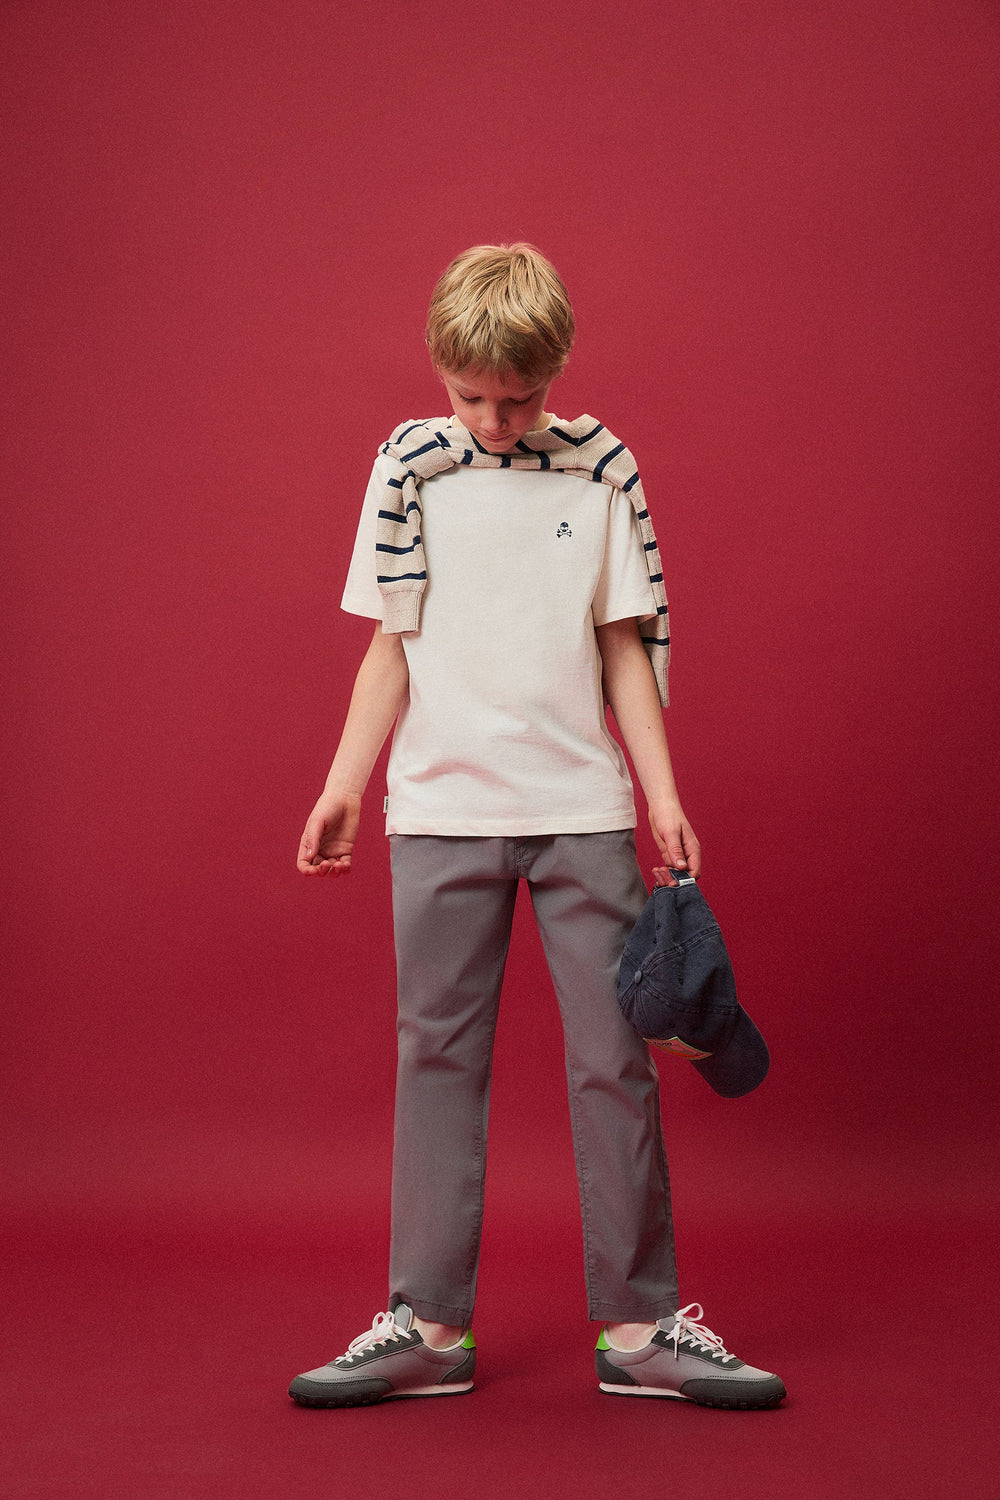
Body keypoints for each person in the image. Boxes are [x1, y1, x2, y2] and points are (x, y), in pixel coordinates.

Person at [289, 244, 785, 1411]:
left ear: (555, 370)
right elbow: (390, 643)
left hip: (579, 813)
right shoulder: (408, 469)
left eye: (519, 399)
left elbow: (623, 647)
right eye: (470, 396)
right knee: (434, 1054)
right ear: (439, 371)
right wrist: (345, 783)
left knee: (617, 1058)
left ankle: (640, 1329)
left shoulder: (601, 471)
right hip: (441, 810)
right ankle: (426, 1327)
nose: (494, 421)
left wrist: (662, 794)